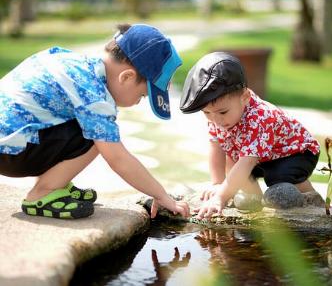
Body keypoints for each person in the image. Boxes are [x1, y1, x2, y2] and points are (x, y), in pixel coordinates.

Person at [0, 23, 190, 220]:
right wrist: (161, 195)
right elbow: (118, 159)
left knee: (87, 125)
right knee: (99, 136)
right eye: (142, 96)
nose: (137, 103)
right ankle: (44, 192)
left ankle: (55, 182)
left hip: (10, 144)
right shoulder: (94, 95)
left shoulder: (76, 64)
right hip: (12, 153)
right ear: (126, 77)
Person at [179, 52, 320, 220]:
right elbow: (216, 147)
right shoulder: (218, 116)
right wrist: (218, 184)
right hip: (263, 157)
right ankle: (255, 203)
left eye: (222, 112)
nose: (215, 120)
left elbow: (247, 162)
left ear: (244, 97)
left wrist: (220, 198)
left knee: (277, 177)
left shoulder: (260, 117)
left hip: (296, 153)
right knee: (234, 164)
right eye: (207, 113)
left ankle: (312, 200)